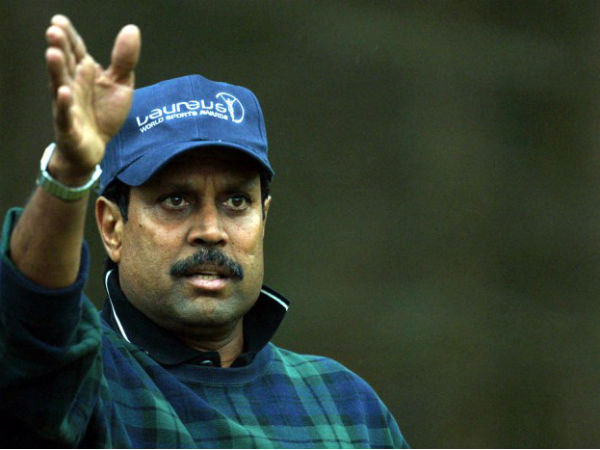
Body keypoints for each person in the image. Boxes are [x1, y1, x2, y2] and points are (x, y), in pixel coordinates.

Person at [0, 15, 408, 448]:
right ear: (112, 227)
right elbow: (30, 334)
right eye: (176, 200)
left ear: (264, 219)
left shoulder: (348, 407)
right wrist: (69, 172)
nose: (211, 231)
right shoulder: (81, 384)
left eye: (237, 202)